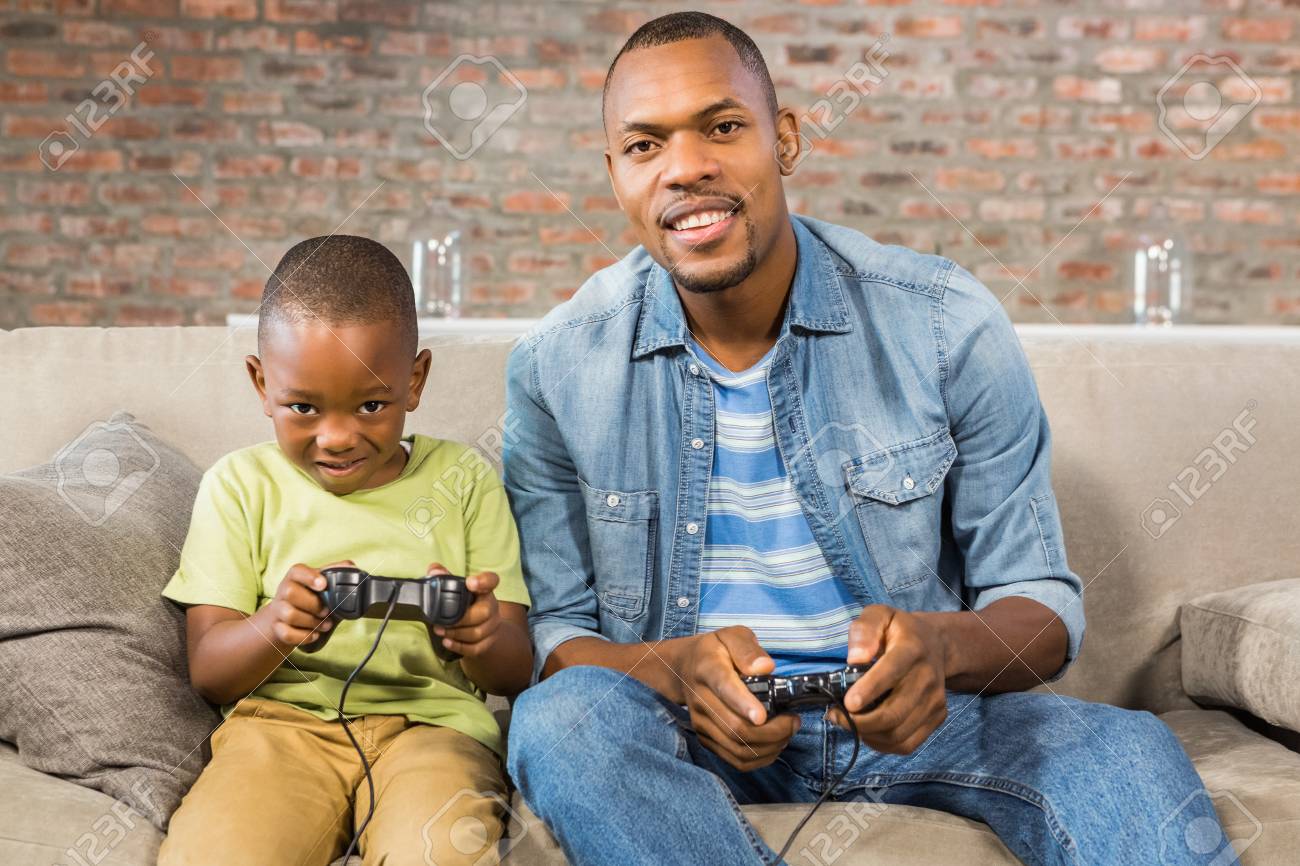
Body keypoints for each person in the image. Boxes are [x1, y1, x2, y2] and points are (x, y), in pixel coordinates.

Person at [502, 12, 1232, 866]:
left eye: (723, 127)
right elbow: (559, 643)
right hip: (693, 733)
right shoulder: (556, 366)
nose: (685, 168)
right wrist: (676, 669)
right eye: (644, 146)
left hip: (933, 724)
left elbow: (1041, 605)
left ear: (785, 139)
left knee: (1124, 750)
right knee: (565, 721)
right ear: (616, 175)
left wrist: (941, 648)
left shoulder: (942, 322)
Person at [158, 235, 532, 866]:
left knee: (439, 852)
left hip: (433, 732)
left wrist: (480, 633)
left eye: (371, 405)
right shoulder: (239, 485)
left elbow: (515, 672)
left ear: (415, 382)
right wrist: (275, 625)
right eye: (302, 407)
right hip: (277, 732)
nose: (336, 437)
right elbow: (209, 671)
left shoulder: (464, 480)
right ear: (260, 383)